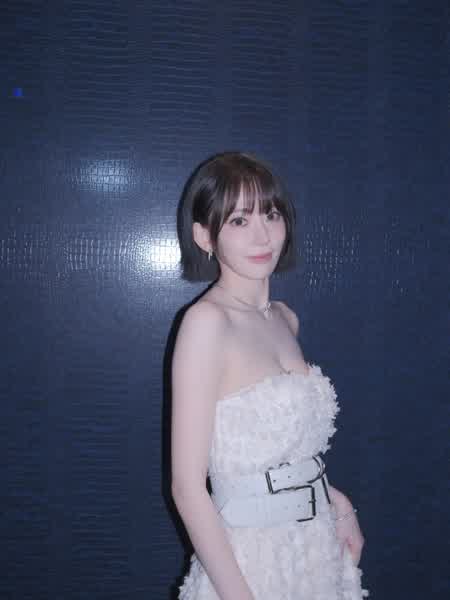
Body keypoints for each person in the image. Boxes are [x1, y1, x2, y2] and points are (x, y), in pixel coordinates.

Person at [171, 151, 369, 599]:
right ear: (205, 235)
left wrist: (338, 504)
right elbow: (187, 488)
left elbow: (286, 453)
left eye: (271, 214)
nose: (262, 235)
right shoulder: (206, 323)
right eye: (239, 220)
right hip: (246, 562)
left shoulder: (284, 318)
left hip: (315, 549)